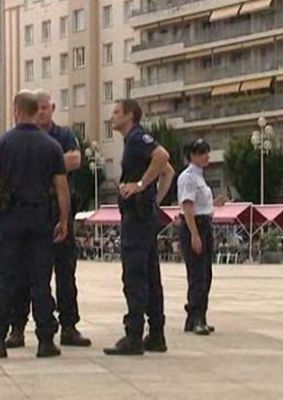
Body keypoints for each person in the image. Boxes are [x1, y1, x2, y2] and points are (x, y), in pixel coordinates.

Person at [0, 90, 70, 358]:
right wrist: (63, 220)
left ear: (17, 110)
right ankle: (45, 340)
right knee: (41, 279)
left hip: (11, 217)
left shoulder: (2, 143)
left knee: (6, 279)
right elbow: (62, 188)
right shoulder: (52, 146)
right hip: (41, 218)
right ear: (35, 111)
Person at [4, 89, 91, 349]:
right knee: (23, 273)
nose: (41, 111)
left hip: (57, 208)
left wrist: (40, 164)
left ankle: (69, 325)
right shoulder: (18, 136)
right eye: (37, 107)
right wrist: (52, 163)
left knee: (65, 272)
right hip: (30, 211)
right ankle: (17, 327)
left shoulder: (63, 135)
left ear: (53, 108)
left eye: (45, 107)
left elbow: (76, 159)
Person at [103, 99, 174, 356]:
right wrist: (156, 200)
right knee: (151, 275)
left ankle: (133, 335)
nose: (112, 117)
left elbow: (163, 158)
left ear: (130, 115)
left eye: (116, 112)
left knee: (134, 276)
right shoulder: (134, 141)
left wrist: (141, 185)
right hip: (145, 215)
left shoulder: (136, 138)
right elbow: (168, 171)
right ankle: (156, 333)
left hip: (136, 216)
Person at [177, 138, 226, 336]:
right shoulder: (188, 177)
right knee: (197, 274)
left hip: (204, 223)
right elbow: (188, 207)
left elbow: (200, 205)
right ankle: (196, 316)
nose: (206, 156)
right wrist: (194, 235)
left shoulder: (200, 177)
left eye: (207, 151)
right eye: (201, 152)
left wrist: (214, 204)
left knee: (205, 273)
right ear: (191, 156)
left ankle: (197, 316)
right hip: (194, 225)